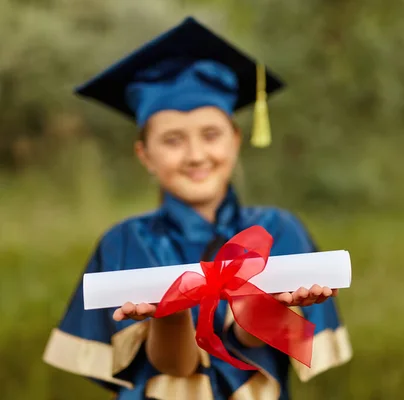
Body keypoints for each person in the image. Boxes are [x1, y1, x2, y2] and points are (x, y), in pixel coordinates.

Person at [42, 16, 352, 400]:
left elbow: (253, 342)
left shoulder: (278, 231)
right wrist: (168, 313)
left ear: (235, 140)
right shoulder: (125, 242)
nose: (195, 155)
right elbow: (175, 366)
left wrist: (268, 301)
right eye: (172, 140)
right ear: (145, 155)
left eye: (210, 135)